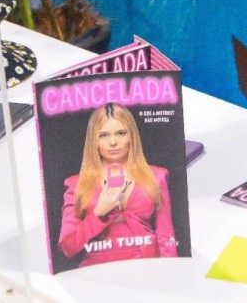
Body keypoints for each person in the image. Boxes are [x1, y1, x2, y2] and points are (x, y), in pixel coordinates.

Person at [58, 103, 178, 266]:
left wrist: (170, 274)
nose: (113, 142)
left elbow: (166, 236)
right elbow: (68, 247)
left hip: (147, 266)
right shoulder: (76, 184)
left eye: (121, 133)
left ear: (132, 136)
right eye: (103, 135)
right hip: (97, 273)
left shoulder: (156, 176)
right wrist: (99, 214)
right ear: (94, 140)